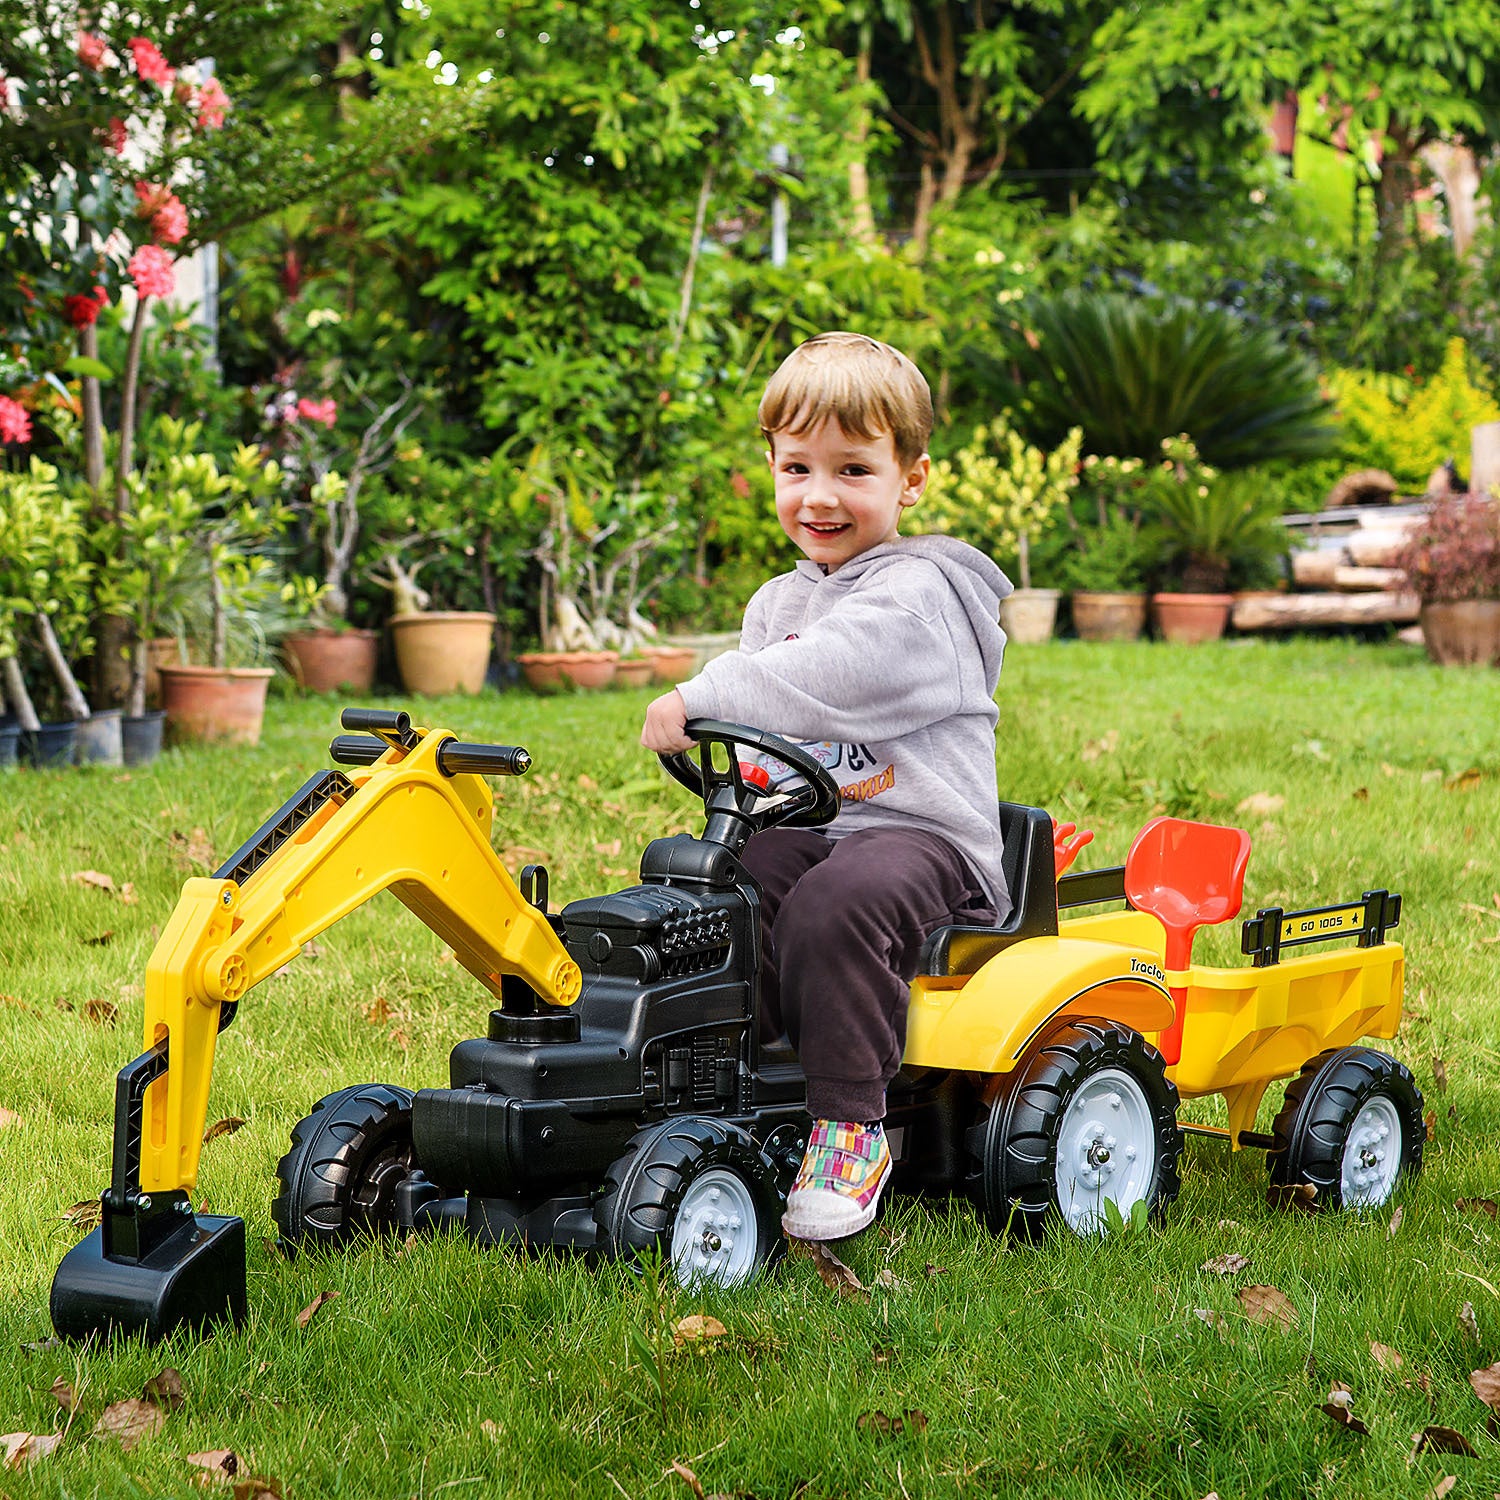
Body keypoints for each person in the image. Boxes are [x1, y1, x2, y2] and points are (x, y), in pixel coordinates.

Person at [640, 330, 1012, 1241]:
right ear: (769, 465)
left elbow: (831, 672)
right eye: (798, 467)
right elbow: (773, 732)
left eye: (853, 470)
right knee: (719, 887)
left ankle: (852, 1127)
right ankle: (719, 1091)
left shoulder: (921, 595)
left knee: (835, 903)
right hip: (821, 825)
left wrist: (703, 691)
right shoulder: (777, 603)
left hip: (926, 840)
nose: (820, 496)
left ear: (910, 478)